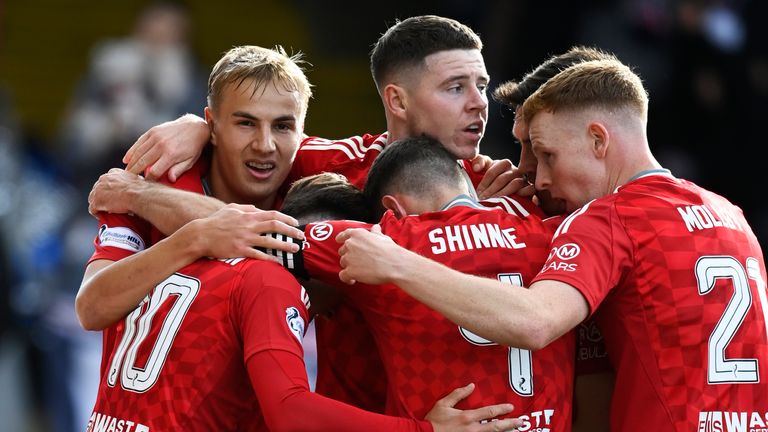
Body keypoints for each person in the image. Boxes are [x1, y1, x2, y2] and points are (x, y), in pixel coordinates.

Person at [88, 15, 531, 413]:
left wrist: (141, 189)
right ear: (397, 100)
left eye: (481, 83)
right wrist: (197, 131)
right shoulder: (328, 163)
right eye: (456, 87)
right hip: (353, 413)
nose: (479, 102)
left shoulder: (503, 190)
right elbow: (257, 146)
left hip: (471, 414)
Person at [334, 58, 768, 431]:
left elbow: (535, 322)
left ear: (598, 139)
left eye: (546, 154)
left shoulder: (608, 218)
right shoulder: (730, 214)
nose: (538, 178)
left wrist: (400, 262)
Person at [266, 136, 575, 431]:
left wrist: (215, 224)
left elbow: (265, 240)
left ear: (391, 210)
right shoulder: (554, 233)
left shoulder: (386, 242)